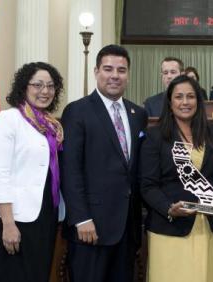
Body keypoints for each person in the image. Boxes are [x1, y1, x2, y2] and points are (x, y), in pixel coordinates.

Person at [60, 44, 148, 282]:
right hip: (91, 228)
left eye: (121, 70)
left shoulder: (137, 114)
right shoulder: (77, 111)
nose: (115, 76)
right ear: (96, 71)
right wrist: (81, 218)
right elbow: (70, 169)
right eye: (108, 69)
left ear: (128, 74)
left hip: (127, 229)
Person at [140, 75, 213, 282]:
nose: (185, 102)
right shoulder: (155, 136)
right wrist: (168, 208)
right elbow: (147, 185)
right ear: (170, 102)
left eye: (190, 96)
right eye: (179, 97)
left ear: (198, 101)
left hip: (211, 227)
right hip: (171, 227)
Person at [0, 62, 65, 282]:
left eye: (50, 85)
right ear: (24, 87)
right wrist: (8, 224)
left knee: (37, 275)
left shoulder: (52, 125)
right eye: (37, 85)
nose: (45, 91)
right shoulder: (7, 120)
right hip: (13, 217)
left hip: (45, 214)